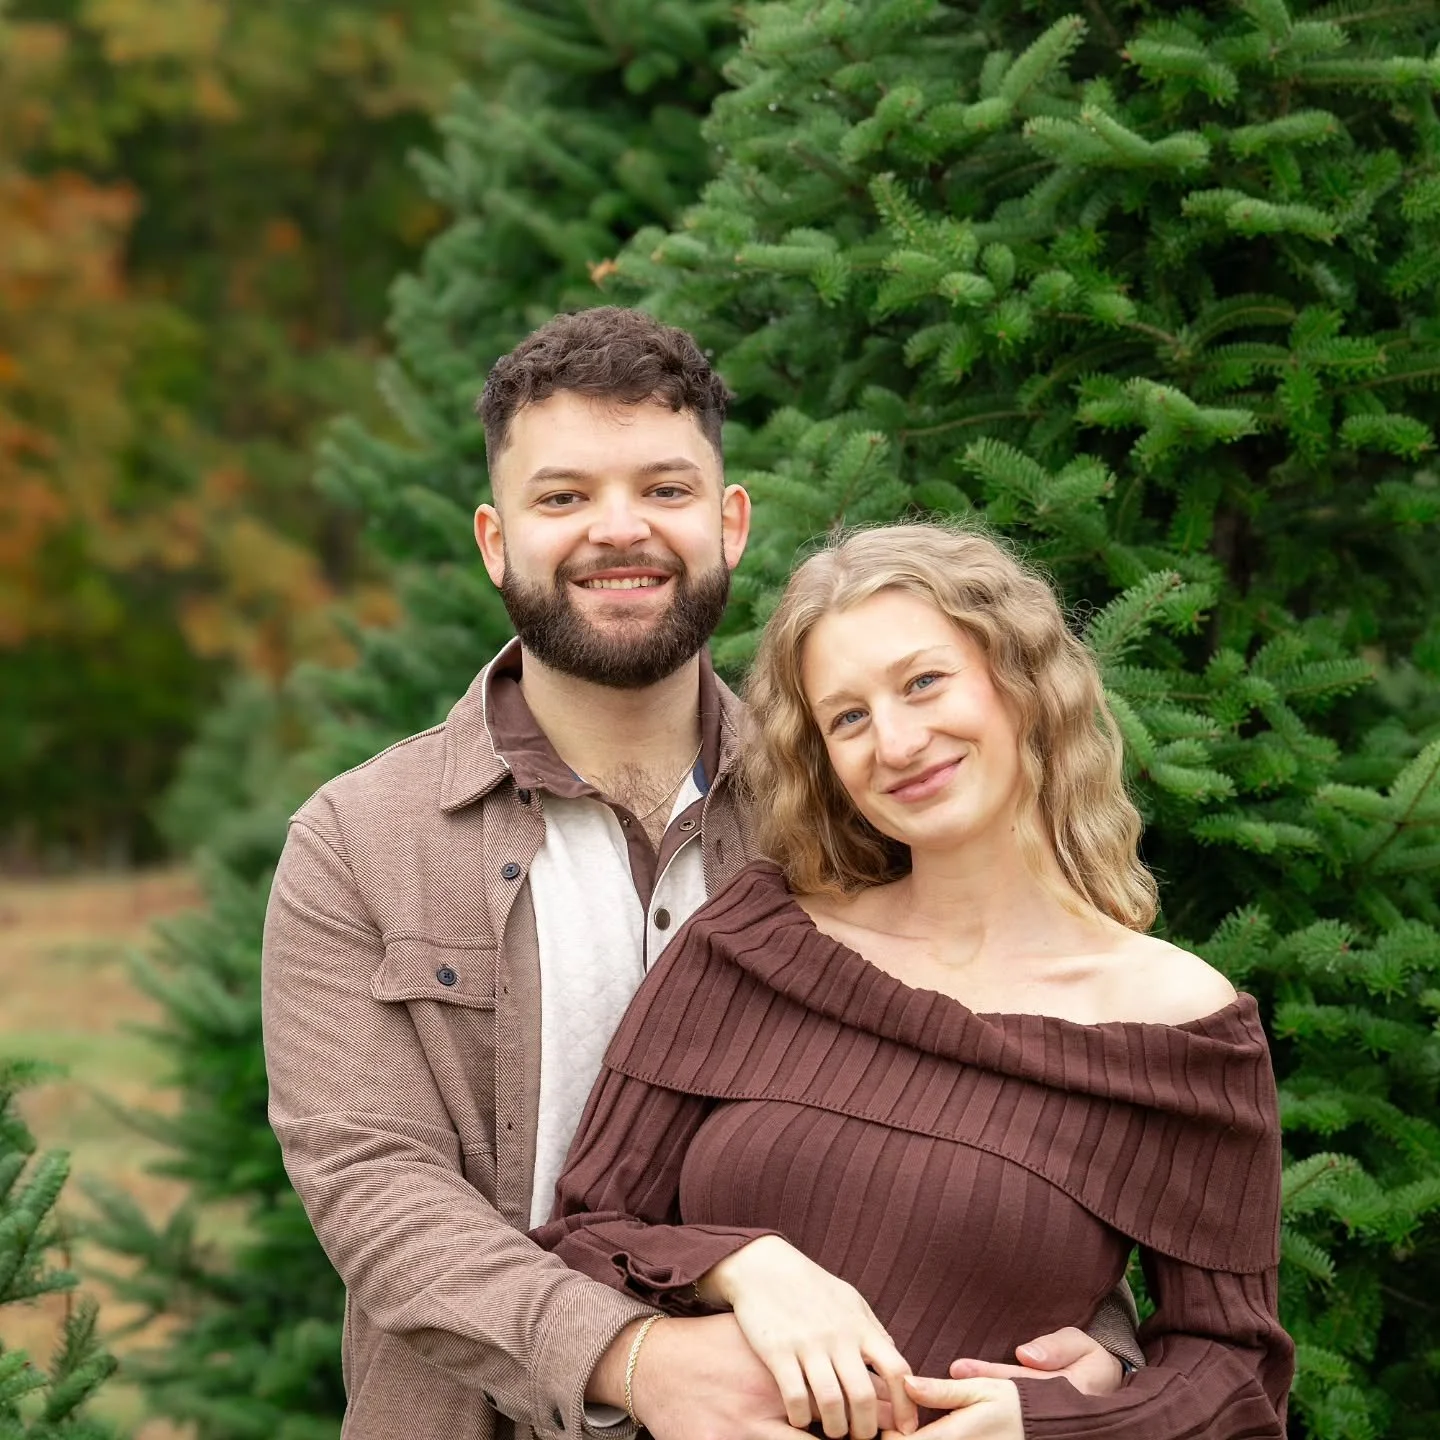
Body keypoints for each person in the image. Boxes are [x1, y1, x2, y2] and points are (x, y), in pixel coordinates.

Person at [261, 310, 1139, 1440]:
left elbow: (1009, 1085)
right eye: (563, 497)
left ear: (729, 523)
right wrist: (636, 1360)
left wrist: (1094, 1346)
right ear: (494, 540)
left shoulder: (853, 801)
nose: (617, 531)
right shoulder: (361, 843)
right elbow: (379, 1197)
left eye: (665, 491)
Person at [535, 522, 1295, 1440]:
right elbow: (583, 1236)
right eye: (847, 717)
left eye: (923, 682)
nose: (895, 742)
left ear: (1022, 682)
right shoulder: (751, 947)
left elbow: (1235, 1377)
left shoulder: (1182, 1032)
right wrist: (744, 1265)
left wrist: (1040, 1425)